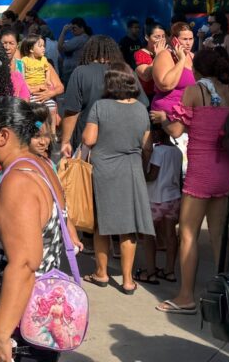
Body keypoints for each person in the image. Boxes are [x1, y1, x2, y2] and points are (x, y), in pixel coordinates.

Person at [0, 96, 80, 362]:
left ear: (3, 135)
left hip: (18, 333)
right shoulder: (38, 165)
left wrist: (1, 335)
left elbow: (25, 262)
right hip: (30, 324)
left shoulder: (17, 182)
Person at [156, 47, 229, 314]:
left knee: (188, 233)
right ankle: (224, 292)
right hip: (226, 167)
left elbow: (177, 130)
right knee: (219, 234)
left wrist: (163, 119)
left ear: (198, 69)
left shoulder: (195, 91)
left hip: (201, 170)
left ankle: (186, 296)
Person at [81, 62, 155, 294]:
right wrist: (142, 166)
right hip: (131, 169)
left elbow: (89, 139)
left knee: (102, 225)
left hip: (104, 169)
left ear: (110, 83)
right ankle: (128, 280)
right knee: (128, 227)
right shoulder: (141, 109)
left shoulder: (100, 106)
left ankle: (101, 273)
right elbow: (147, 146)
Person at [59, 36, 148, 158]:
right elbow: (142, 105)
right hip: (123, 142)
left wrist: (65, 141)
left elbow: (71, 111)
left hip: (87, 143)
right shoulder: (126, 72)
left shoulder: (80, 72)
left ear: (89, 51)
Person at [141, 124, 182, 283]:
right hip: (173, 197)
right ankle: (169, 271)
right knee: (171, 235)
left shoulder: (158, 151)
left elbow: (152, 176)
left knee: (148, 235)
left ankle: (150, 271)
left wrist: (141, 174)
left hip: (156, 198)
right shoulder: (177, 152)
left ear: (158, 132)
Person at [150, 22, 196, 126]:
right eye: (184, 39)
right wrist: (181, 60)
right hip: (167, 115)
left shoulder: (193, 56)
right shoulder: (165, 55)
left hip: (187, 114)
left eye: (191, 39)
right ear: (174, 40)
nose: (188, 43)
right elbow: (165, 85)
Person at [20, 35, 64, 125]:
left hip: (43, 96)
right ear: (31, 49)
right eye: (40, 46)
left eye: (44, 46)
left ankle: (52, 132)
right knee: (35, 116)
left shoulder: (44, 61)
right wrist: (30, 88)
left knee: (51, 110)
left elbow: (60, 87)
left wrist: (50, 91)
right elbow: (22, 77)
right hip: (32, 96)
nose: (43, 48)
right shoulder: (23, 61)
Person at [134, 23, 166, 98]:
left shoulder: (167, 51)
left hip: (164, 94)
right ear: (147, 37)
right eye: (157, 37)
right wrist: (158, 55)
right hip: (148, 97)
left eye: (163, 36)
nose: (161, 40)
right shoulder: (140, 54)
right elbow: (146, 76)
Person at [57, 17, 91, 82]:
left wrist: (64, 31)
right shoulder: (86, 38)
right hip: (78, 72)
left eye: (74, 28)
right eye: (71, 29)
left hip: (72, 73)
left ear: (82, 28)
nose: (72, 31)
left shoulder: (80, 39)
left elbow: (60, 47)